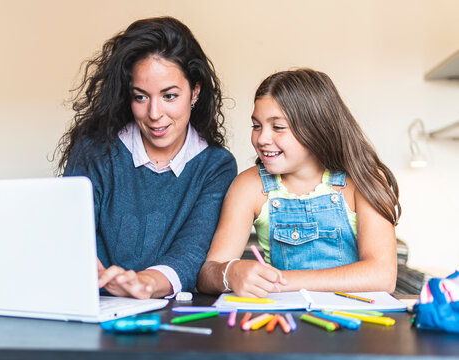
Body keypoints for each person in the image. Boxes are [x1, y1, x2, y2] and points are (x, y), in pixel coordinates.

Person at [55, 17, 237, 299]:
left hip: (169, 315)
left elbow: (191, 252)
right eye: (140, 97)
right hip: (95, 303)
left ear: (195, 91)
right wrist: (94, 275)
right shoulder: (95, 149)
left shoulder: (215, 166)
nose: (154, 113)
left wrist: (145, 283)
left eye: (169, 96)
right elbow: (71, 232)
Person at [197, 68, 401, 297]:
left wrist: (280, 282)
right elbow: (207, 274)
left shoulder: (364, 179)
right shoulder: (249, 186)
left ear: (316, 128)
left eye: (278, 127)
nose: (262, 139)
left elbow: (382, 275)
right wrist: (229, 272)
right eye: (256, 126)